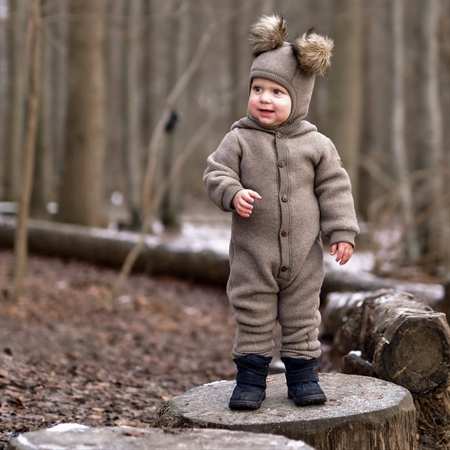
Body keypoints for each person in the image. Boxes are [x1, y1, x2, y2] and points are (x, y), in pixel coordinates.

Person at [203, 15, 359, 411]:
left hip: (304, 256)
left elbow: (335, 187)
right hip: (253, 255)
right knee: (253, 317)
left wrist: (341, 231)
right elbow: (215, 173)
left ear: (299, 99)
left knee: (303, 318)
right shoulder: (238, 138)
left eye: (277, 91)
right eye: (258, 88)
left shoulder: (317, 144)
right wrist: (232, 192)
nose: (265, 98)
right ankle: (250, 382)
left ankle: (303, 378)